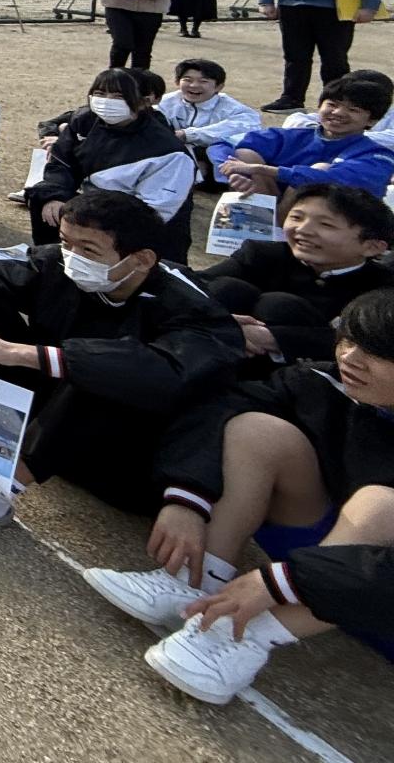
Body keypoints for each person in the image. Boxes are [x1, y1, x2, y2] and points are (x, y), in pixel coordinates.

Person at [0, 190, 242, 525]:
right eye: (66, 241)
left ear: (141, 259)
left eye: (88, 249)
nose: (71, 256)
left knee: (108, 368)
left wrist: (22, 354)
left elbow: (166, 375)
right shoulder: (60, 261)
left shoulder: (189, 306)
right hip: (51, 417)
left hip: (122, 455)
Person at [80, 291, 394, 705]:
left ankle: (242, 636)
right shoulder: (324, 380)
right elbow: (220, 409)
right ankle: (196, 581)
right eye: (347, 339)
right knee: (255, 428)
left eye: (374, 351)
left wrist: (284, 580)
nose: (349, 357)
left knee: (382, 504)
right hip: (316, 548)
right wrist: (187, 496)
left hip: (379, 598)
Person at [196, 183, 394, 372]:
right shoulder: (262, 254)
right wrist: (226, 324)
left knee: (278, 306)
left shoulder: (383, 288)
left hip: (301, 379)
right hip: (210, 355)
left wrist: (273, 338)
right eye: (297, 218)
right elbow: (191, 287)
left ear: (372, 246)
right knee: (225, 289)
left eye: (326, 225)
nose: (303, 230)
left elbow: (373, 347)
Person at [28, 69, 195, 261]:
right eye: (100, 94)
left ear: (144, 101)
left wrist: (96, 223)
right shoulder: (85, 121)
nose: (107, 101)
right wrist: (55, 195)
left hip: (132, 222)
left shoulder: (167, 150)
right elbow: (61, 162)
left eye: (119, 96)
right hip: (92, 204)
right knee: (43, 197)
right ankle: (53, 262)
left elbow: (155, 211)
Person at [212, 73, 394, 197]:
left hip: (337, 228)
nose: (338, 113)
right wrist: (241, 174)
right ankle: (267, 225)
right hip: (276, 210)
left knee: (316, 173)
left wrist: (263, 170)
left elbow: (333, 178)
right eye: (332, 104)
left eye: (353, 110)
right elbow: (228, 144)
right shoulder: (292, 135)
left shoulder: (378, 155)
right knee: (246, 154)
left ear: (372, 120)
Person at [160, 58, 260, 187]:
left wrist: (187, 134)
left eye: (203, 81)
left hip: (212, 156)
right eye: (187, 80)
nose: (194, 85)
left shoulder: (234, 109)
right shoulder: (167, 102)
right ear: (177, 82)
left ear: (219, 86)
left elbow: (246, 127)